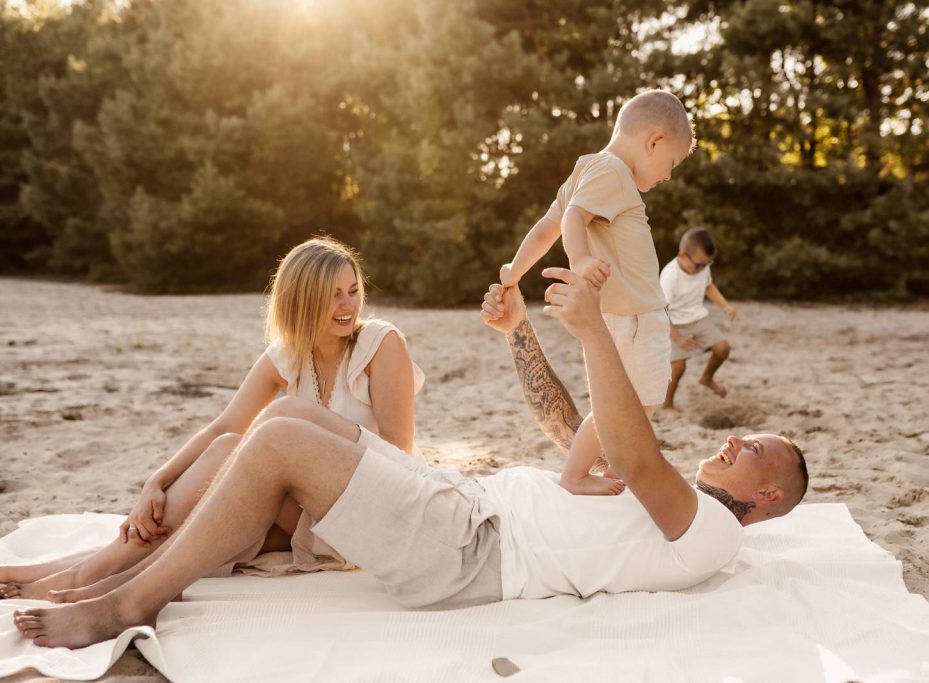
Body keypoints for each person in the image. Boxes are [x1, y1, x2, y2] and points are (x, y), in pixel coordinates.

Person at [12, 269, 808, 650]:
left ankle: (127, 602)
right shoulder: (668, 496)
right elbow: (571, 422)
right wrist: (521, 331)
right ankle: (119, 566)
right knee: (287, 410)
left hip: (473, 551)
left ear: (769, 496)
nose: (738, 440)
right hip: (464, 500)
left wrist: (596, 331)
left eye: (757, 450)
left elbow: (633, 452)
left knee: (283, 438)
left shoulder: (711, 531)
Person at [0, 236, 423, 601]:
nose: (348, 305)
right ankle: (59, 571)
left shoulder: (380, 344)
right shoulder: (287, 356)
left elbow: (397, 453)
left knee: (219, 477)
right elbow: (224, 426)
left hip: (367, 510)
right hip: (303, 511)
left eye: (352, 290)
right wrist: (156, 481)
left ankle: (84, 575)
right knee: (199, 511)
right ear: (303, 300)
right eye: (334, 294)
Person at [499, 90, 696, 496]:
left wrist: (512, 273)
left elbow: (544, 228)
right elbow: (573, 220)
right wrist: (581, 258)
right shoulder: (613, 173)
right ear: (654, 140)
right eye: (671, 163)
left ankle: (605, 467)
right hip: (638, 317)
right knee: (634, 405)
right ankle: (576, 474)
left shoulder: (586, 171)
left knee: (624, 402)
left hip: (619, 317)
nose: (668, 176)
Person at [660, 228, 737, 409]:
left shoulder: (702, 266)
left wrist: (725, 305)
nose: (702, 269)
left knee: (722, 348)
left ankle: (707, 378)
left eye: (707, 264)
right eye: (698, 265)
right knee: (678, 367)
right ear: (683, 255)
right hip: (674, 323)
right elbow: (660, 311)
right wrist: (677, 337)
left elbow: (709, 286)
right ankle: (668, 405)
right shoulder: (670, 276)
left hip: (698, 318)